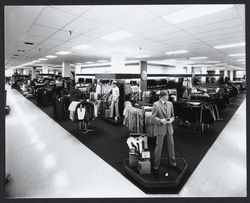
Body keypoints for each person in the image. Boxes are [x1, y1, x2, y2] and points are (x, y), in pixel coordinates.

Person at [151, 90, 181, 177]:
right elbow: (152, 118)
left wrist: (171, 120)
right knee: (158, 148)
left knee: (171, 146)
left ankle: (173, 164)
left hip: (169, 128)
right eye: (167, 95)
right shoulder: (156, 104)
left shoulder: (170, 104)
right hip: (161, 128)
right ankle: (156, 167)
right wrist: (161, 121)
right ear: (163, 96)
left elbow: (173, 116)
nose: (168, 96)